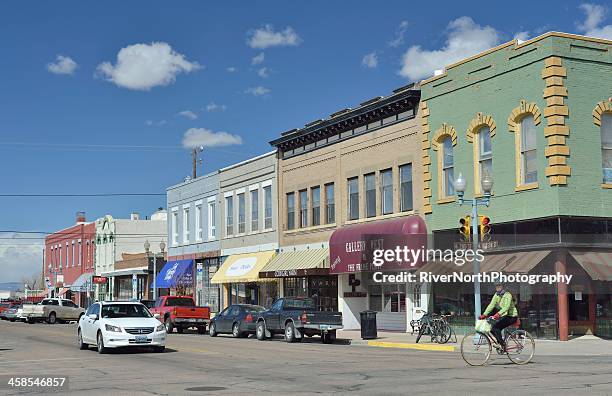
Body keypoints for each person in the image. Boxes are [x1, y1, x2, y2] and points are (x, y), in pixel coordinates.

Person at [479, 282, 518, 350]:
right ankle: (500, 342)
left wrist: (498, 314)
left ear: (503, 286)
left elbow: (506, 307)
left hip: (512, 316)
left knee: (496, 328)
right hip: (504, 315)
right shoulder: (497, 295)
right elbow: (491, 305)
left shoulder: (507, 295)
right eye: (496, 285)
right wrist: (484, 314)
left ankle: (503, 345)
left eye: (499, 285)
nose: (497, 287)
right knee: (491, 328)